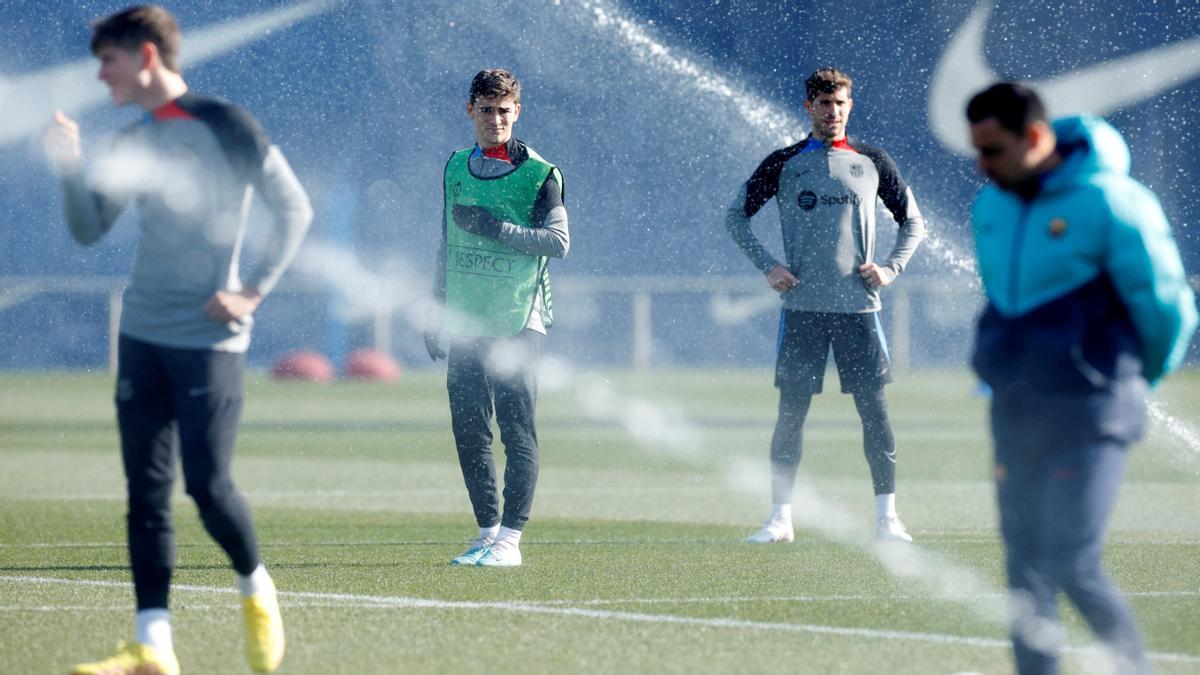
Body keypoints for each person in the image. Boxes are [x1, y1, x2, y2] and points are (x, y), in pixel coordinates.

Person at [43, 6, 313, 674]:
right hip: (142, 333)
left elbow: (295, 208)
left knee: (208, 484)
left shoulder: (226, 125)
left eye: (108, 60)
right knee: (145, 490)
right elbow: (88, 228)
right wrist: (71, 167)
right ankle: (152, 644)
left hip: (209, 340)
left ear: (145, 55)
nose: (101, 75)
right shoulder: (130, 138)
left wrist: (252, 290)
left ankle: (256, 588)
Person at [965, 82, 1197, 675]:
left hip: (1091, 408)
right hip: (1016, 411)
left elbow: (1167, 308)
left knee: (1070, 559)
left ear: (1036, 137)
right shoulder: (991, 206)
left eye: (993, 150)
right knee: (1023, 565)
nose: (981, 165)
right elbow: (1005, 300)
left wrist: (1129, 380)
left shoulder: (1113, 202)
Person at [725, 67, 925, 544]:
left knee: (874, 414)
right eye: (823, 103)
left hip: (859, 311)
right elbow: (736, 218)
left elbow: (912, 223)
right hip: (803, 311)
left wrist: (891, 268)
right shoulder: (785, 162)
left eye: (840, 104)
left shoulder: (873, 160)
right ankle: (780, 519)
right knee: (790, 414)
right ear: (808, 107)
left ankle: (887, 520)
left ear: (849, 107)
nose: (832, 112)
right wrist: (769, 266)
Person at [424, 68, 569, 567]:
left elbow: (559, 242)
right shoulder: (455, 166)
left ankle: (512, 538)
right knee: (469, 427)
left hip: (518, 319)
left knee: (516, 427)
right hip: (466, 320)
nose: (495, 119)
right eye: (486, 110)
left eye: (504, 110)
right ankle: (486, 531)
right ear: (470, 111)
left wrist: (496, 228)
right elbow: (447, 242)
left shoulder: (540, 173)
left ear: (517, 112)